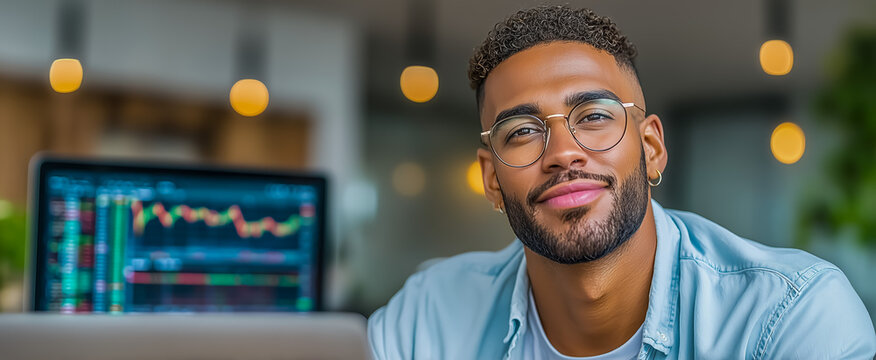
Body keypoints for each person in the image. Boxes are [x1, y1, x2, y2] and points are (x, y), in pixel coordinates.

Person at [367, 5, 876, 359]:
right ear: (491, 180)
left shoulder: (789, 317)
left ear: (651, 148)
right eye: (523, 131)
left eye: (593, 116)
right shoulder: (426, 317)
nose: (563, 153)